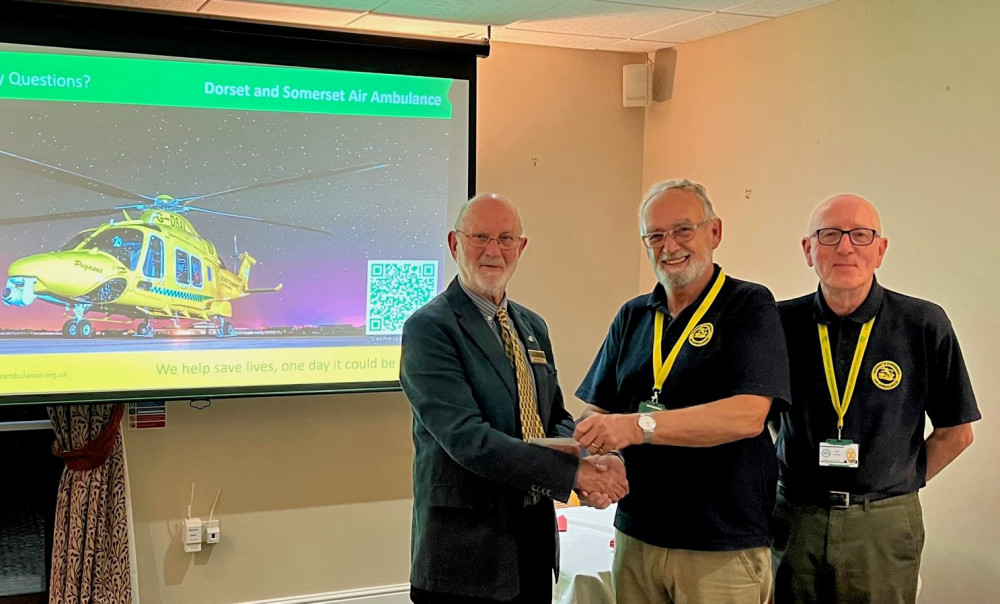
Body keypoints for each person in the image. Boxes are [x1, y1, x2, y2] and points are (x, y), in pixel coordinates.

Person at [400, 193, 629, 604]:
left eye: (506, 239)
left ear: (521, 248)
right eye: (480, 237)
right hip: (464, 560)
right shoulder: (429, 329)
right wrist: (573, 475)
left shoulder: (532, 326)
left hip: (533, 548)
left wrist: (587, 457)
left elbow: (553, 417)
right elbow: (468, 440)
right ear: (455, 245)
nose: (493, 250)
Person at [573, 179, 791, 604]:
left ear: (715, 232)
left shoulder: (749, 306)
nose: (669, 246)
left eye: (682, 230)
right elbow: (597, 411)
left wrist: (638, 427)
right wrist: (596, 458)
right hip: (637, 536)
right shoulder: (633, 315)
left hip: (721, 545)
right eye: (655, 236)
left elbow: (748, 416)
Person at [772, 194, 980, 603]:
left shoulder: (922, 323)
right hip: (796, 518)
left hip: (883, 523)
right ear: (807, 249)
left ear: (880, 250)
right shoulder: (779, 324)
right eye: (829, 235)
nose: (845, 247)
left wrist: (897, 482)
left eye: (861, 235)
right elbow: (761, 416)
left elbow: (957, 432)